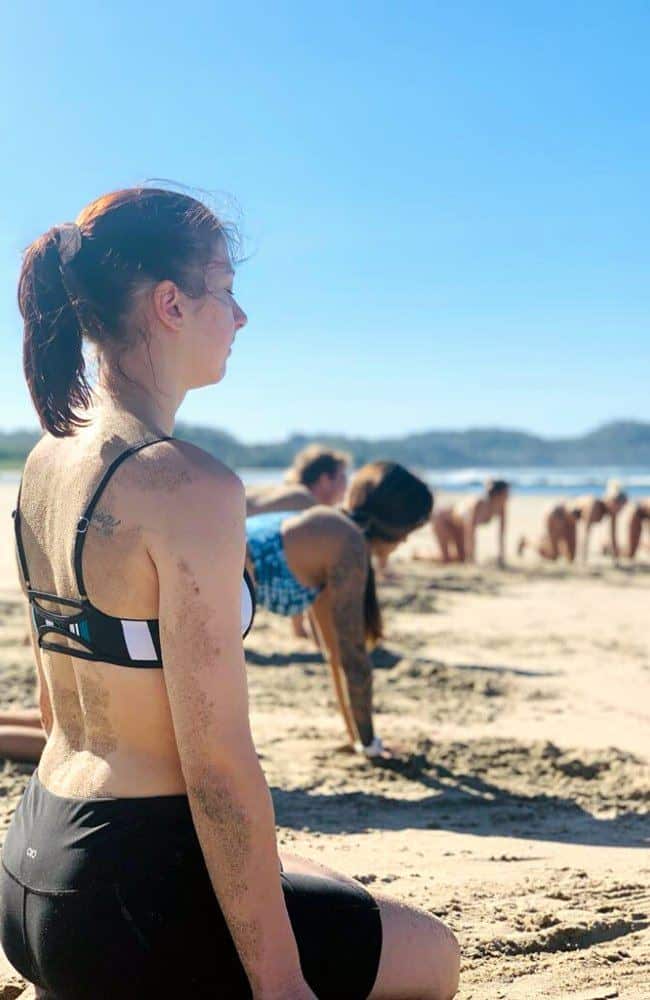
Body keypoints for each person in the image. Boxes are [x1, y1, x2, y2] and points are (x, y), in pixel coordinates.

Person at [0, 187, 459, 1000]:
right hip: (125, 899)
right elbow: (217, 765)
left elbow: (54, 697)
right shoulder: (186, 485)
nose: (241, 316)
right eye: (225, 288)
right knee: (436, 959)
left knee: (317, 877)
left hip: (35, 863)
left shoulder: (48, 459)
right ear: (171, 304)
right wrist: (281, 985)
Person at [246, 461, 433, 754]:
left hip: (214, 571)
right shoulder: (347, 544)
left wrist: (360, 740)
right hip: (212, 574)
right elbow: (354, 659)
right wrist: (371, 745)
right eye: (409, 531)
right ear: (393, 524)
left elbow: (335, 655)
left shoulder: (332, 532)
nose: (406, 540)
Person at [246, 445, 350, 638]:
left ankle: (299, 629)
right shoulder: (306, 503)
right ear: (325, 480)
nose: (347, 486)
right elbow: (304, 565)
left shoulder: (292, 493)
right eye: (343, 477)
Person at [519, 483, 628, 564]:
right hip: (557, 515)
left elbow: (613, 536)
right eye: (617, 503)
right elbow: (586, 534)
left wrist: (616, 560)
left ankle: (548, 542)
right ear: (609, 500)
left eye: (621, 505)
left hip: (570, 522)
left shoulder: (612, 512)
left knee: (570, 558)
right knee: (553, 556)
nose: (619, 508)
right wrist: (584, 561)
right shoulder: (594, 506)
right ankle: (526, 542)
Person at [246, 444, 349, 515]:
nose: (346, 484)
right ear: (324, 480)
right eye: (342, 477)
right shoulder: (302, 503)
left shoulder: (283, 494)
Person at [429, 480, 509, 566]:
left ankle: (423, 555)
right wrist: (472, 557)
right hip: (443, 520)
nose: (508, 496)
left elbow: (501, 532)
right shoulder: (478, 504)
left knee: (461, 558)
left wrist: (501, 556)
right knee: (446, 559)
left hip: (459, 526)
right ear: (497, 494)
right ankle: (423, 556)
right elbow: (470, 532)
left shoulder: (501, 506)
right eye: (506, 493)